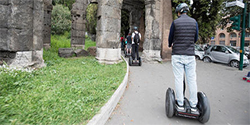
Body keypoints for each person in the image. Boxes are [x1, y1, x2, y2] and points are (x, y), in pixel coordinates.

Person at [168, 3, 199, 114]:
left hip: (177, 54)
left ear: (179, 12)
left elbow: (170, 37)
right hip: (190, 55)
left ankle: (180, 104)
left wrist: (170, 44)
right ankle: (193, 105)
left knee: (179, 79)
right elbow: (195, 38)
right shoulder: (194, 22)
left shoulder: (175, 22)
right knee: (191, 79)